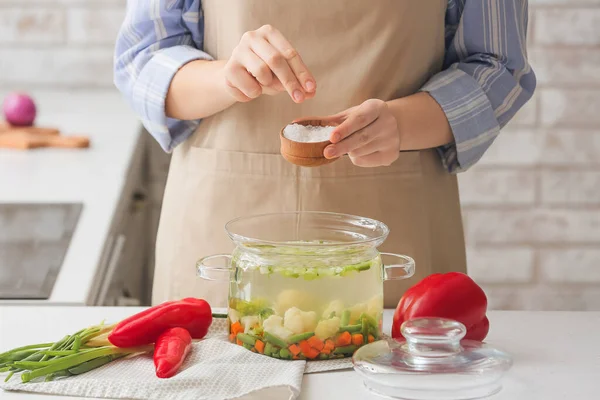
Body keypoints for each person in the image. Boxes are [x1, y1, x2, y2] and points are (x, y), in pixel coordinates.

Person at [114, 0, 535, 308]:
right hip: (221, 231)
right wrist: (226, 78)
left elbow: (498, 67)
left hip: (395, 233)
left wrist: (400, 124)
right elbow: (144, 58)